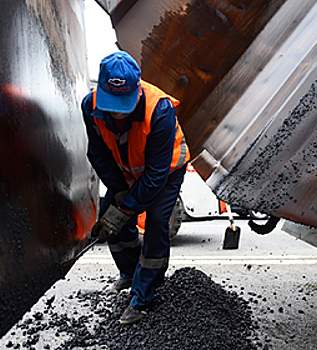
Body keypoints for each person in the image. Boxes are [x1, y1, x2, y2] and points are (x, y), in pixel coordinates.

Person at [81, 51, 190, 325]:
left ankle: (143, 298)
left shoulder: (160, 110)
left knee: (155, 223)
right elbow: (97, 154)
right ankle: (130, 273)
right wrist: (118, 194)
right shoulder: (90, 106)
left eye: (123, 103)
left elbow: (154, 175)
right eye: (112, 103)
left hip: (165, 174)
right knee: (110, 219)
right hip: (125, 173)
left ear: (137, 89)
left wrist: (126, 208)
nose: (117, 111)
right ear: (102, 89)